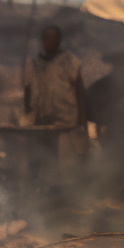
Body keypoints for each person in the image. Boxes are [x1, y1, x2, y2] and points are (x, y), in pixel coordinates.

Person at [22, 25, 88, 196]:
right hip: (42, 117)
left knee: (65, 157)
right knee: (43, 153)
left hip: (66, 118)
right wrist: (28, 110)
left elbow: (79, 91)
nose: (47, 42)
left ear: (58, 40)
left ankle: (65, 192)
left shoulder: (70, 62)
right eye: (45, 38)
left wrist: (81, 120)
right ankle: (43, 189)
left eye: (51, 38)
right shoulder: (35, 63)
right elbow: (28, 89)